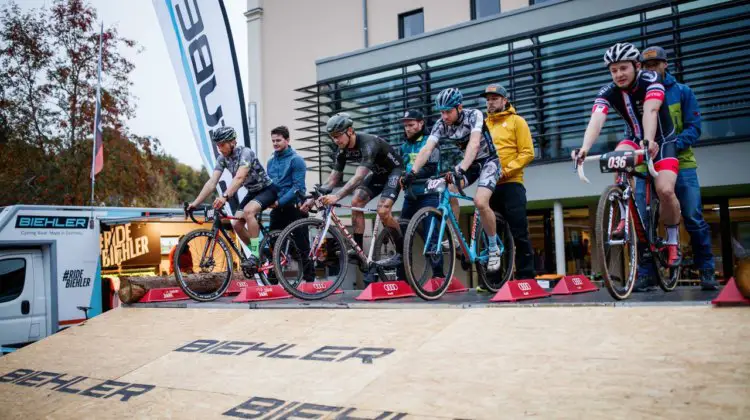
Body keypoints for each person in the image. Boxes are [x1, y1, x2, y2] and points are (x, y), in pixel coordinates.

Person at [571, 42, 682, 267]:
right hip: (634, 138)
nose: (619, 74)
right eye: (614, 70)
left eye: (623, 68)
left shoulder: (651, 80)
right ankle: (623, 216)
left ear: (636, 66)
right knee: (617, 158)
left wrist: (649, 141)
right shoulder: (608, 91)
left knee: (665, 190)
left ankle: (672, 241)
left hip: (661, 140)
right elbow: (596, 121)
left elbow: (651, 111)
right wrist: (584, 149)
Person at [634, 46, 717, 291]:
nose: (650, 69)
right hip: (647, 163)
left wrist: (670, 145)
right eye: (646, 66)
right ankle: (646, 273)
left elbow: (694, 127)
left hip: (682, 163)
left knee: (693, 216)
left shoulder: (682, 92)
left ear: (665, 64)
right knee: (643, 219)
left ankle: (707, 270)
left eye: (654, 64)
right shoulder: (638, 94)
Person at [402, 87, 504, 271]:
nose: (445, 116)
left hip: (489, 161)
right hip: (470, 164)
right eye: (441, 112)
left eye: (448, 111)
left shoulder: (474, 116)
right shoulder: (441, 124)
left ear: (459, 107)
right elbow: (427, 149)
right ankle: (455, 238)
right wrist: (413, 172)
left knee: (481, 202)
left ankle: (493, 248)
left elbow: (473, 144)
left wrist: (461, 169)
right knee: (447, 190)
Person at [302, 113, 404, 270]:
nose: (335, 140)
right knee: (356, 201)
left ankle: (401, 251)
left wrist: (337, 196)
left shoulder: (368, 143)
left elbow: (358, 177)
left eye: (338, 136)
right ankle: (359, 251)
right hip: (378, 174)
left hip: (394, 172)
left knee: (383, 211)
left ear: (350, 131)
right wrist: (314, 197)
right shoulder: (342, 150)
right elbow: (333, 179)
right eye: (332, 137)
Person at [188, 126, 275, 270]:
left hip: (267, 190)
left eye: (222, 144)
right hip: (253, 192)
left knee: (248, 212)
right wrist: (195, 203)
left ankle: (254, 254)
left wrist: (224, 196)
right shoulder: (222, 159)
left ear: (232, 141)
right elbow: (211, 183)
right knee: (236, 225)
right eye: (217, 145)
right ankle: (262, 252)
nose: (220, 148)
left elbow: (240, 177)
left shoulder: (246, 153)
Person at [481, 84, 536, 280]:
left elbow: (528, 152)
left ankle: (526, 278)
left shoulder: (517, 121)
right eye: (488, 99)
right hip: (488, 186)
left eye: (494, 98)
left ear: (505, 101)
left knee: (519, 232)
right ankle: (492, 281)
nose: (490, 102)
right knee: (491, 234)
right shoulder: (483, 125)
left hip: (512, 184)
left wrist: (505, 171)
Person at [398, 109, 444, 278]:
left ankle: (439, 276)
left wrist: (412, 175)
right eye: (405, 126)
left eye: (411, 125)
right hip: (410, 196)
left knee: (430, 236)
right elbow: (399, 169)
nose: (408, 129)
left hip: (429, 193)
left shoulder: (431, 142)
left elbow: (431, 168)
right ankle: (402, 277)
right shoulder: (403, 146)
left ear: (421, 123)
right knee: (402, 235)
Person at [266, 125, 315, 282]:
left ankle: (309, 281)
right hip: (277, 210)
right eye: (273, 140)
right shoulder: (270, 162)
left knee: (303, 247)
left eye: (278, 140)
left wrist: (279, 202)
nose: (275, 143)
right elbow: (271, 185)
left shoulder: (297, 160)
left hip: (295, 209)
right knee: (274, 245)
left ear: (287, 140)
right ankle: (273, 281)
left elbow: (297, 187)